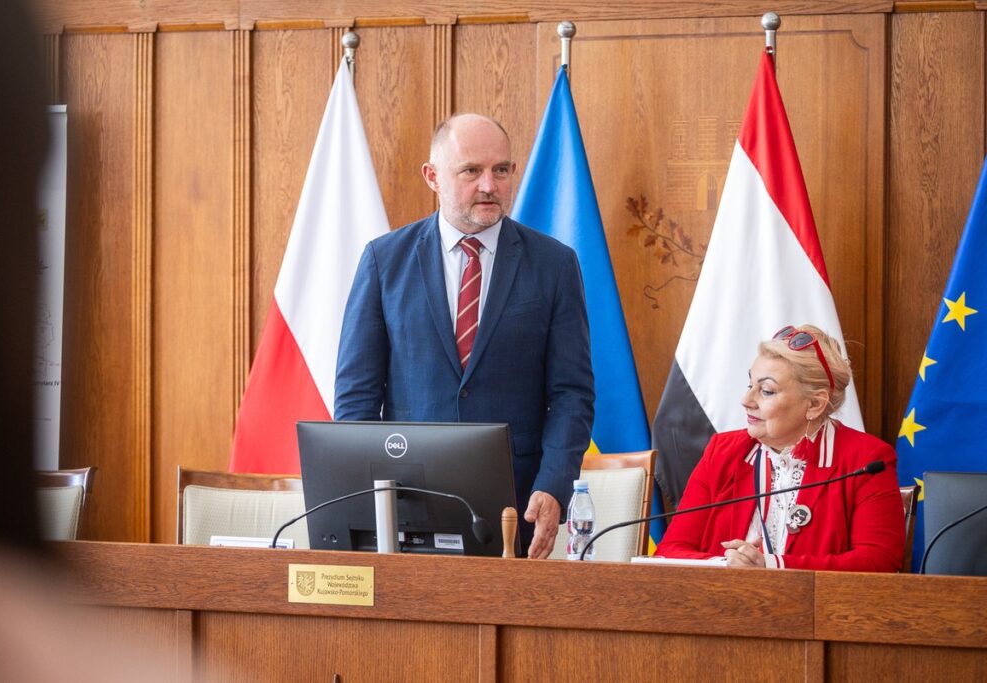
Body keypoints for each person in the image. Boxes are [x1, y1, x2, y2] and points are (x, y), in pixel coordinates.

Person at [335, 113, 595, 558]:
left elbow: (572, 394)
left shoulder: (554, 265)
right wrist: (372, 504)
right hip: (405, 510)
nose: (489, 185)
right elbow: (356, 399)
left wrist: (553, 486)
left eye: (501, 170)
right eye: (471, 171)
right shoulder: (384, 262)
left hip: (518, 512)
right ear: (433, 177)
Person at [655, 325, 905, 571]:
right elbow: (670, 549)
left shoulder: (866, 460)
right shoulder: (723, 451)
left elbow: (878, 560)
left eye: (766, 391)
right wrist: (726, 565)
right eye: (749, 385)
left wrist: (772, 565)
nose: (746, 401)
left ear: (815, 404)